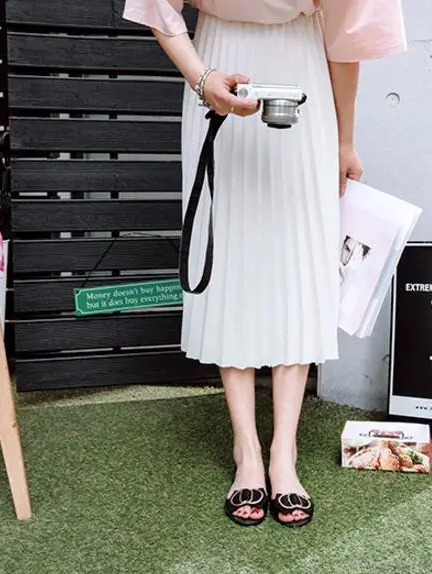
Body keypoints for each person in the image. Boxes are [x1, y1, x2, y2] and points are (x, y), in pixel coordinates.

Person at [122, 0, 407, 528]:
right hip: (218, 60)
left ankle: (284, 452)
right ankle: (247, 449)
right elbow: (158, 6)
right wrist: (200, 76)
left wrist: (345, 140)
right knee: (230, 257)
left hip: (303, 64)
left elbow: (346, 32)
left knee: (300, 260)